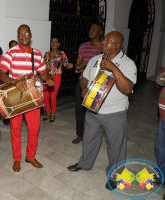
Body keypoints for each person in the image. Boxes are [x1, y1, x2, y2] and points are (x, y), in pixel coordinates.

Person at [67, 31, 137, 191]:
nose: (103, 42)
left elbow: (127, 89)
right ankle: (85, 164)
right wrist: (84, 88)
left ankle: (116, 176)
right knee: (90, 140)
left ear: (118, 45)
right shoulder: (94, 60)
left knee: (116, 147)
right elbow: (84, 77)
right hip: (92, 110)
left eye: (108, 40)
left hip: (114, 112)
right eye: (104, 39)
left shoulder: (127, 63)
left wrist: (113, 68)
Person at [0, 24, 54, 172]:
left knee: (34, 128)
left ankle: (30, 156)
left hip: (32, 97)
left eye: (26, 33)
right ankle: (17, 158)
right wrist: (14, 81)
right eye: (20, 34)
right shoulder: (11, 53)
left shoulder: (37, 53)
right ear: (18, 37)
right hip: (16, 97)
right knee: (15, 129)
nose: (23, 36)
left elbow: (43, 73)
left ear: (30, 35)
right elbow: (1, 73)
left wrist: (48, 78)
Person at [72, 22, 104, 144]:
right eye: (90, 28)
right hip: (82, 81)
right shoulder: (83, 46)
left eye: (94, 29)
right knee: (80, 110)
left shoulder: (104, 47)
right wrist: (80, 66)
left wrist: (85, 66)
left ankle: (93, 136)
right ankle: (80, 134)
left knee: (95, 111)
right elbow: (77, 66)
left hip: (98, 84)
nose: (91, 30)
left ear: (100, 32)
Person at [43, 37, 73, 122]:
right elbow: (42, 66)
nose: (53, 43)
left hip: (56, 77)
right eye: (52, 42)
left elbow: (66, 64)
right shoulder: (47, 54)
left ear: (58, 44)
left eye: (56, 42)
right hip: (47, 77)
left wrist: (69, 65)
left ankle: (53, 114)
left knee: (52, 97)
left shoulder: (61, 54)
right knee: (46, 96)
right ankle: (47, 114)